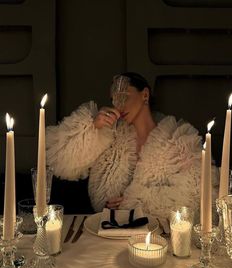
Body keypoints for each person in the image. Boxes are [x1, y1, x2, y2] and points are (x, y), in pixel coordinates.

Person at [46, 72, 219, 228]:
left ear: (145, 95)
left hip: (158, 237)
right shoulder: (110, 136)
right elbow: (61, 161)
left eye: (124, 96)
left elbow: (199, 195)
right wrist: (92, 127)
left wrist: (136, 202)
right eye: (114, 99)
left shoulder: (177, 139)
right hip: (110, 232)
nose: (119, 105)